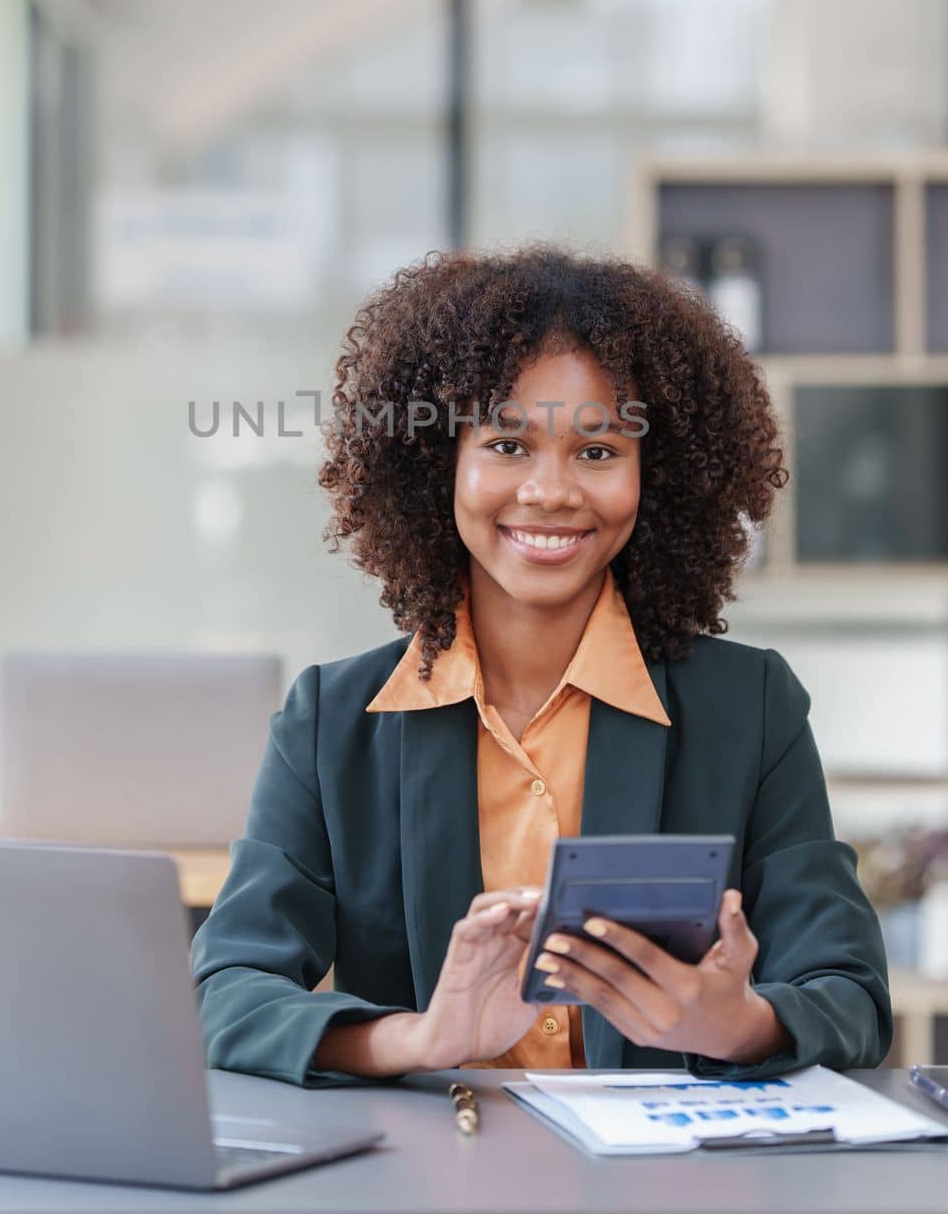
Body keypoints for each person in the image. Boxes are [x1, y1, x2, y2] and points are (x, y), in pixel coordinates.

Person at [191, 245, 892, 1086]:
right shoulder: (331, 722)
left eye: (598, 452)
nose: (551, 491)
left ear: (655, 477)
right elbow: (228, 994)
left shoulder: (753, 708)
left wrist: (736, 1024)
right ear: (438, 465)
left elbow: (849, 996)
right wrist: (422, 1037)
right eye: (508, 444)